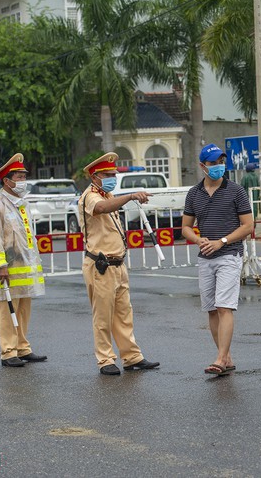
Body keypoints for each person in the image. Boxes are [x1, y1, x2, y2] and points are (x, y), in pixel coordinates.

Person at [78, 152, 160, 376]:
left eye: (114, 174)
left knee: (124, 314)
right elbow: (102, 208)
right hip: (101, 265)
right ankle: (105, 359)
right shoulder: (90, 197)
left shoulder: (108, 194)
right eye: (107, 175)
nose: (112, 178)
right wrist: (130, 196)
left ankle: (131, 356)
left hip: (117, 263)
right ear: (95, 177)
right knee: (103, 316)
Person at [182, 144, 254, 376]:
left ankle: (221, 359)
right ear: (203, 166)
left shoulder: (236, 191)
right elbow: (185, 227)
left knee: (224, 307)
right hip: (205, 258)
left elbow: (248, 226)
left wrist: (222, 241)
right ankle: (226, 356)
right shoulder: (194, 193)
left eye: (221, 162)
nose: (218, 166)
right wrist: (198, 239)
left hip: (229, 254)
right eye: (213, 163)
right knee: (212, 309)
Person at [0, 153, 47, 367]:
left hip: (24, 268)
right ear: (6, 181)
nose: (22, 181)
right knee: (7, 310)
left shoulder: (22, 204)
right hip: (7, 269)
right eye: (19, 177)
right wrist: (0, 265)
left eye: (23, 176)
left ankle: (22, 347)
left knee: (23, 310)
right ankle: (8, 352)